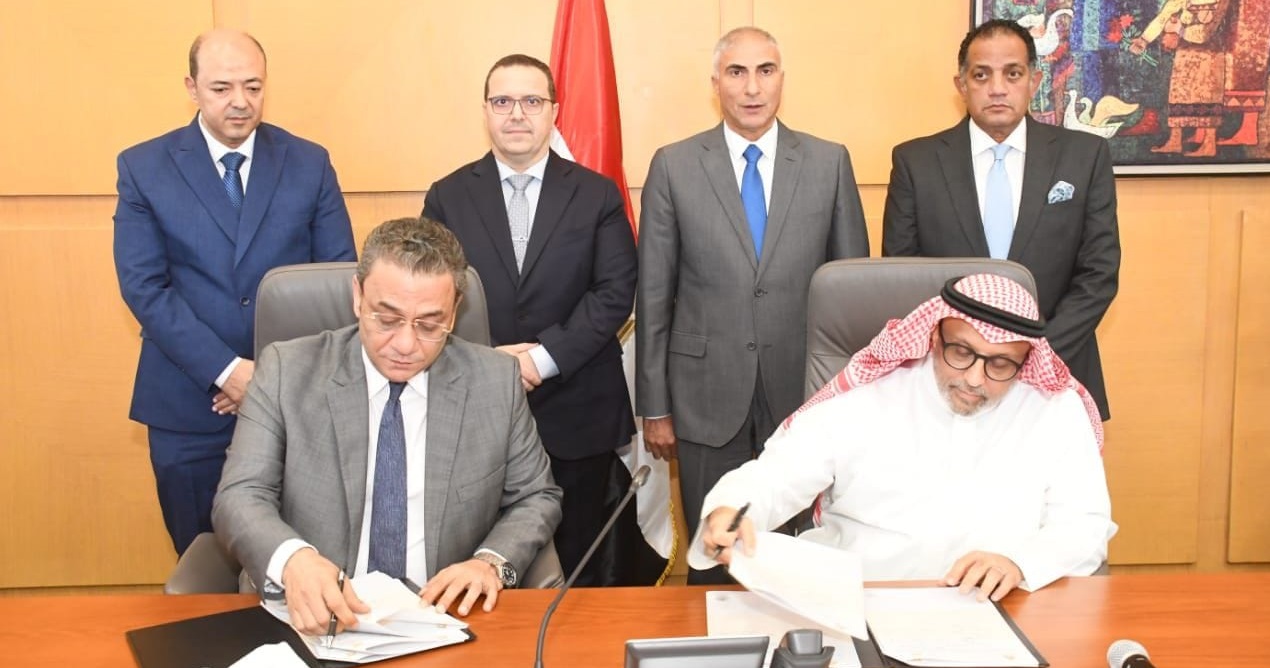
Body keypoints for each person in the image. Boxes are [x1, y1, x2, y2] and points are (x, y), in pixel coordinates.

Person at [212, 217, 562, 634]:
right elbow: (240, 495)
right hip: (314, 615)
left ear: (455, 311)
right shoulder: (287, 371)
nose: (405, 345)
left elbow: (536, 496)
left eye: (429, 324)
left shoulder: (495, 381)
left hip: (443, 618)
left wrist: (489, 563)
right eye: (387, 318)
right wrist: (294, 559)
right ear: (358, 297)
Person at [692, 274, 1116, 600]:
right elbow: (777, 476)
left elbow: (1084, 524)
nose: (974, 378)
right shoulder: (868, 395)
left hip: (995, 609)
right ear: (934, 336)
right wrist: (732, 509)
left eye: (1000, 364)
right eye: (961, 352)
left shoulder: (1054, 409)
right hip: (855, 601)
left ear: (1026, 360)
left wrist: (1020, 564)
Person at [636, 27, 869, 582]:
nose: (752, 87)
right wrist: (655, 405)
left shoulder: (829, 162)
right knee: (715, 560)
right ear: (716, 82)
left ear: (782, 78)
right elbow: (654, 294)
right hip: (704, 398)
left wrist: (856, 396)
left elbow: (850, 293)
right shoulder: (674, 165)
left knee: (798, 561)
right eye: (736, 72)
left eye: (765, 71)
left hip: (805, 396)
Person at [113, 29, 356, 555]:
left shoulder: (309, 162)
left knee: (296, 563)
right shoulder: (143, 167)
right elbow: (144, 287)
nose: (240, 102)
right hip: (188, 404)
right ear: (192, 88)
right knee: (204, 563)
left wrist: (266, 377)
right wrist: (227, 371)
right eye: (222, 88)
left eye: (253, 86)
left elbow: (336, 281)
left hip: (296, 403)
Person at [422, 54, 637, 586]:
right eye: (502, 101)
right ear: (485, 110)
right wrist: (491, 364)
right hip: (476, 411)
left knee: (584, 575)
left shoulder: (597, 193)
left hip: (578, 409)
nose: (516, 113)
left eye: (531, 101)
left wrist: (540, 360)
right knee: (482, 569)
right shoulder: (448, 196)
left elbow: (615, 293)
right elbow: (428, 297)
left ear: (554, 111)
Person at [882, 19, 1120, 422]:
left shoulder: (1085, 157)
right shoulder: (915, 162)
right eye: (981, 75)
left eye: (1012, 73)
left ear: (1034, 81)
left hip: (1055, 376)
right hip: (950, 381)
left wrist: (1030, 357)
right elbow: (904, 276)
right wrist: (966, 358)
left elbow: (1099, 275)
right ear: (961, 85)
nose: (997, 88)